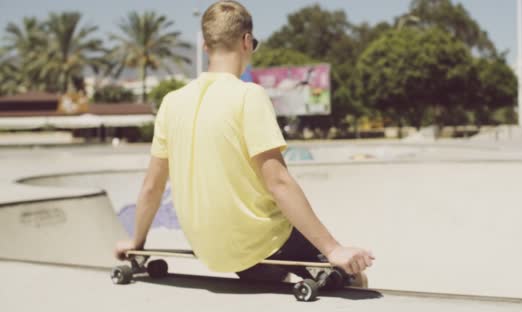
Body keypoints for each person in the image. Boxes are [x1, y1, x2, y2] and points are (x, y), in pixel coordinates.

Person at [114, 0, 373, 286]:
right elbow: (279, 182)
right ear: (247, 41)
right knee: (352, 276)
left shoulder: (171, 102)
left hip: (210, 250)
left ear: (205, 46)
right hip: (261, 244)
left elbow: (152, 186)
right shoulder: (249, 96)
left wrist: (135, 242)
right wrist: (333, 249)